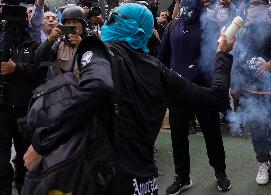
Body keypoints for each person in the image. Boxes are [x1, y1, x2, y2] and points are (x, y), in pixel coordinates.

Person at [23, 3, 235, 195]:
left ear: (131, 26)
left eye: (114, 19)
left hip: (106, 180)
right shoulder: (158, 70)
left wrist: (44, 143)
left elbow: (97, 86)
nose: (108, 23)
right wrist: (222, 55)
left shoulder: (100, 53)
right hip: (145, 184)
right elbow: (217, 98)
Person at [158, 0, 231, 193]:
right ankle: (182, 177)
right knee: (178, 137)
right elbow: (163, 57)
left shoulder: (211, 25)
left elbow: (217, 55)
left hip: (203, 90)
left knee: (212, 133)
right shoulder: (173, 26)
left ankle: (220, 173)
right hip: (177, 92)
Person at [231, 0, 271, 185]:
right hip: (250, 89)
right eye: (251, 4)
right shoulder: (244, 30)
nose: (252, 7)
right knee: (257, 128)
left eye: (257, 3)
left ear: (266, 7)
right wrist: (234, 84)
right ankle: (262, 162)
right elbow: (237, 59)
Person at [0, 5, 44, 194]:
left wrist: (15, 69)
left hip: (24, 111)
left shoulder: (33, 44)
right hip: (1, 109)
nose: (12, 27)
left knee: (25, 159)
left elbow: (40, 71)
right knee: (1, 162)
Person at [35, 5, 87, 76]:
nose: (71, 25)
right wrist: (49, 40)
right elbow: (39, 60)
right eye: (68, 23)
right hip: (64, 85)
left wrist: (83, 45)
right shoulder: (59, 45)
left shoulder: (92, 41)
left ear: (83, 25)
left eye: (75, 22)